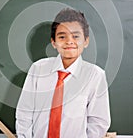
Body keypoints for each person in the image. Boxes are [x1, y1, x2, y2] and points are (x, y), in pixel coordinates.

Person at [16, 8, 111, 138]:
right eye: (62, 36)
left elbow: (98, 121)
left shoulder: (95, 75)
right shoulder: (38, 69)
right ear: (53, 42)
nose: (69, 41)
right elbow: (24, 113)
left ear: (86, 41)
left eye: (76, 36)